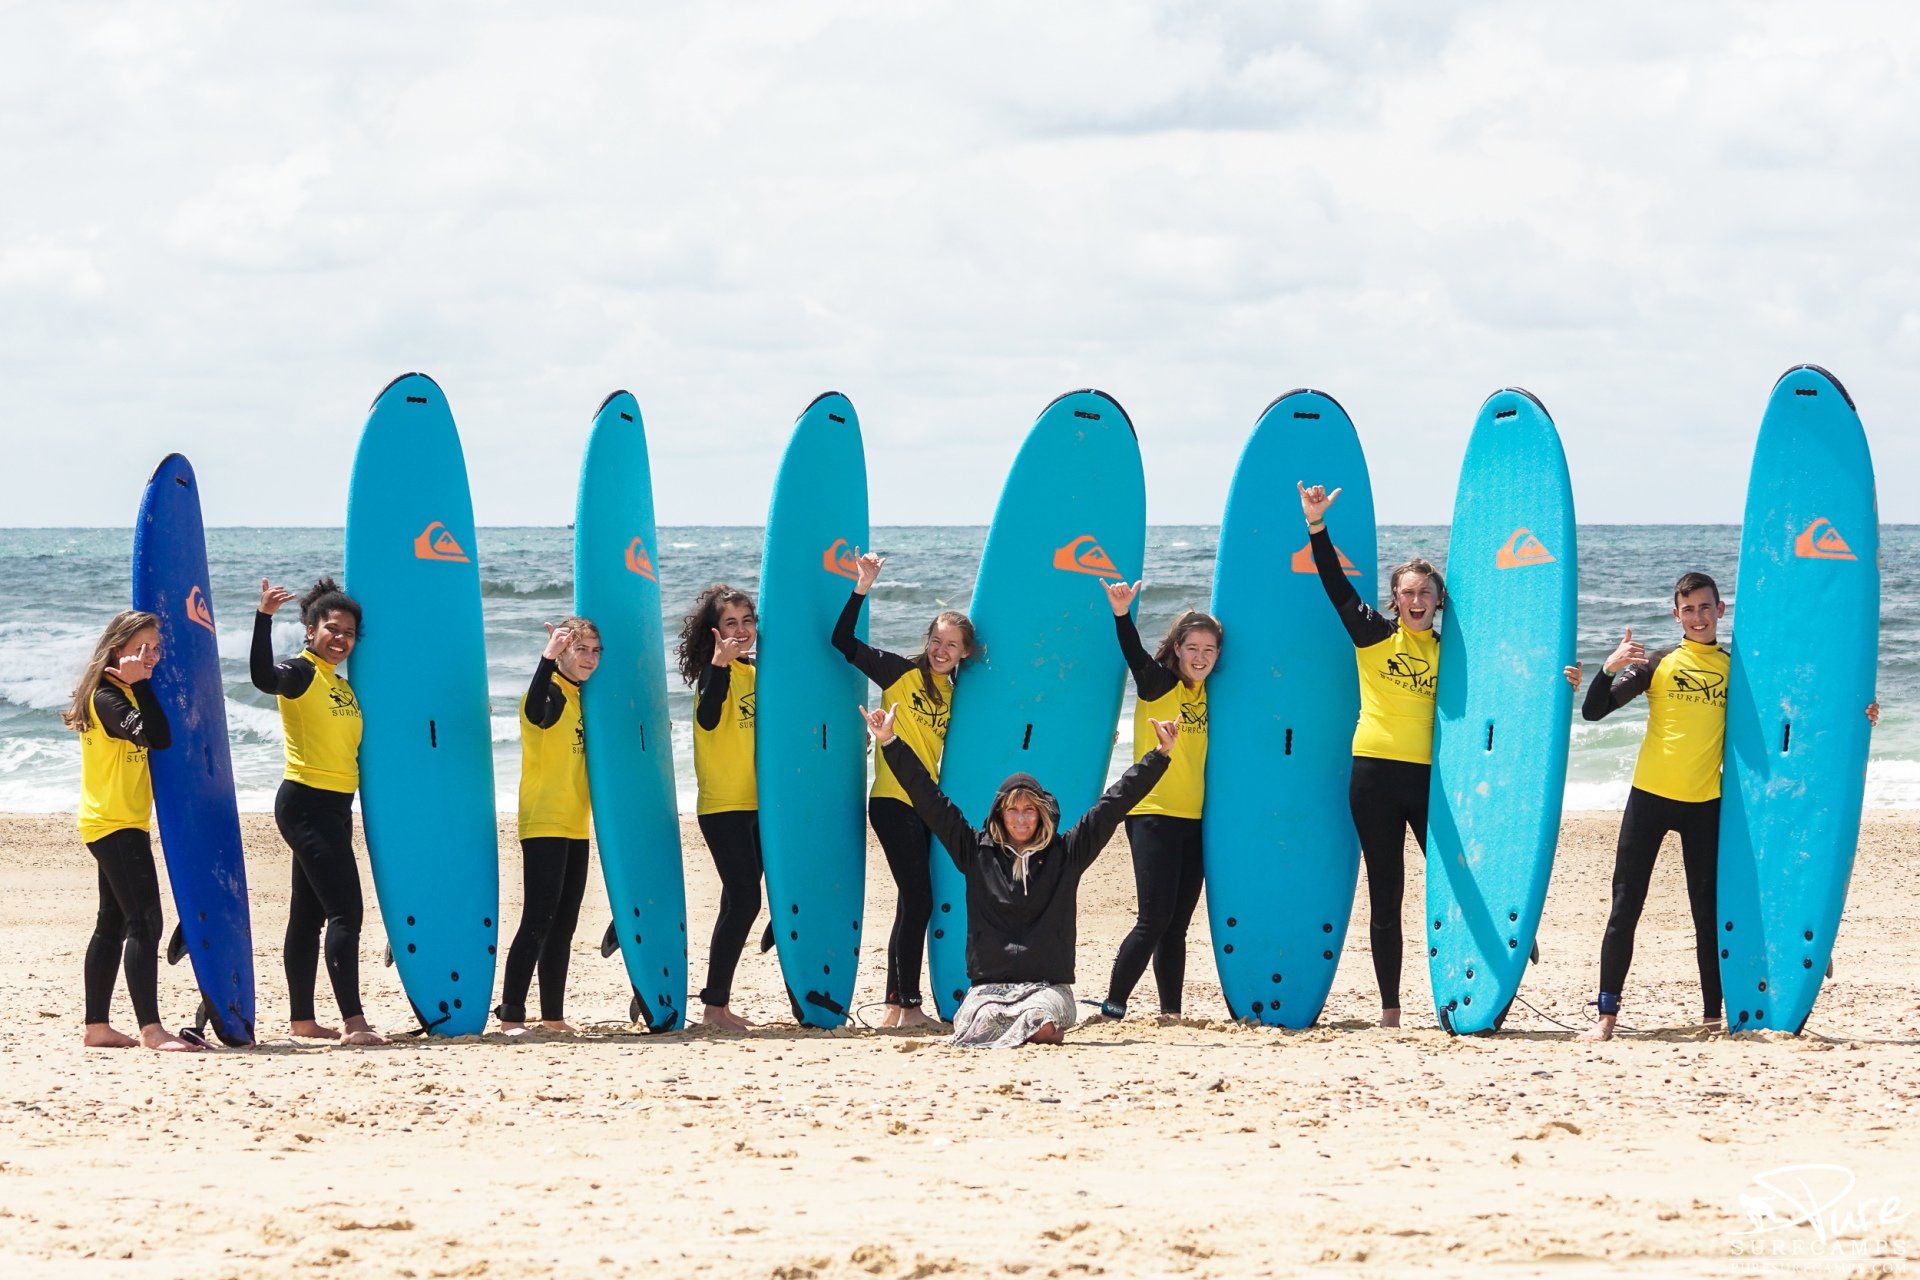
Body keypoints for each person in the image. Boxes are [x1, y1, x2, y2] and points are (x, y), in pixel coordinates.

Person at [1298, 482, 1578, 1027]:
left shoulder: (1455, 654)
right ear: (1395, 599)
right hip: (1374, 775)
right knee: (1387, 891)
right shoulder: (1373, 637)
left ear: (1439, 598)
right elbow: (1334, 584)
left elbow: (1509, 679)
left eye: (1427, 591)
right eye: (1408, 592)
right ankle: (1390, 1010)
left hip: (1433, 778)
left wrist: (1561, 680)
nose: (1418, 600)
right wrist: (1316, 525)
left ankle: (1504, 941)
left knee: (1457, 872)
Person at [1575, 573, 1879, 1041]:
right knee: (1625, 906)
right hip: (1650, 797)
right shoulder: (1658, 663)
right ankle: (1606, 1016)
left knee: (1709, 913)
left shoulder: (1737, 671)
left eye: (1705, 607)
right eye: (1688, 609)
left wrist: (1860, 713)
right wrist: (1610, 667)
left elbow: (1796, 715)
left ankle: (1711, 1016)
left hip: (1705, 804)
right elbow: (1594, 711)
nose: (1697, 617)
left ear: (1721, 610)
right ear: (1676, 615)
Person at [860, 700, 1177, 1048]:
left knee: (1039, 1024)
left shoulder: (1067, 854)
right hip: (988, 988)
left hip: (1048, 987)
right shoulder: (975, 852)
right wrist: (889, 741)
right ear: (999, 813)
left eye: (1030, 810)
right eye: (1013, 810)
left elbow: (1113, 804)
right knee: (975, 1024)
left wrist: (1159, 756)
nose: (1022, 818)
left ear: (1042, 814)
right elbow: (929, 798)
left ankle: (1040, 1029)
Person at [830, 549, 977, 1028]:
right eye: (936, 640)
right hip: (894, 801)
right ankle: (909, 1007)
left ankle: (896, 1005)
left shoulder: (962, 696)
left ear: (965, 653)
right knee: (918, 899)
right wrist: (862, 586)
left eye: (951, 645)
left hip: (927, 805)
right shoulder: (899, 673)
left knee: (911, 900)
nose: (941, 650)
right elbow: (841, 640)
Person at [252, 576, 386, 1045]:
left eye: (349, 633)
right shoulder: (302, 671)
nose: (341, 638)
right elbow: (264, 678)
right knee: (346, 911)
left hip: (334, 808)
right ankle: (355, 1023)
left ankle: (303, 1022)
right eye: (332, 628)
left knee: (307, 917)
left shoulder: (342, 685)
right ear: (311, 630)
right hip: (306, 802)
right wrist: (263, 618)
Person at [64, 611, 197, 1052]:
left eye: (156, 648)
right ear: (117, 648)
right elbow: (158, 737)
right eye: (142, 647)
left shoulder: (121, 692)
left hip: (116, 820)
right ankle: (152, 1031)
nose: (152, 656)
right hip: (115, 824)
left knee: (113, 923)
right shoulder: (109, 697)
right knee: (145, 921)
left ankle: (97, 1027)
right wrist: (141, 683)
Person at [1094, 580, 1219, 1020]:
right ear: (1177, 649)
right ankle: (1114, 1004)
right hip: (1153, 815)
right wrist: (1122, 614)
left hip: (1194, 818)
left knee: (1177, 926)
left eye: (1209, 650)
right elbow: (1133, 654)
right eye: (1192, 648)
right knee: (1153, 919)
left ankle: (1171, 1011)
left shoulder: (1206, 694)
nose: (1200, 657)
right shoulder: (1158, 684)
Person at [496, 618, 602, 1035]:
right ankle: (510, 1016)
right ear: (563, 651)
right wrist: (547, 659)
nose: (590, 658)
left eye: (596, 650)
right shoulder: (552, 693)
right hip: (544, 819)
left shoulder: (581, 697)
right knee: (538, 917)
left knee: (565, 923)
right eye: (582, 649)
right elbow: (535, 710)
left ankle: (553, 1016)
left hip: (575, 821)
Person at [677, 584, 763, 1032]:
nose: (742, 629)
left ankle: (718, 1005)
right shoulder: (715, 675)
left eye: (748, 620)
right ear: (715, 631)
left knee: (737, 902)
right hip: (724, 806)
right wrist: (719, 664)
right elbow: (710, 716)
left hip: (759, 804)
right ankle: (713, 1007)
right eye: (731, 622)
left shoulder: (755, 673)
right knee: (746, 900)